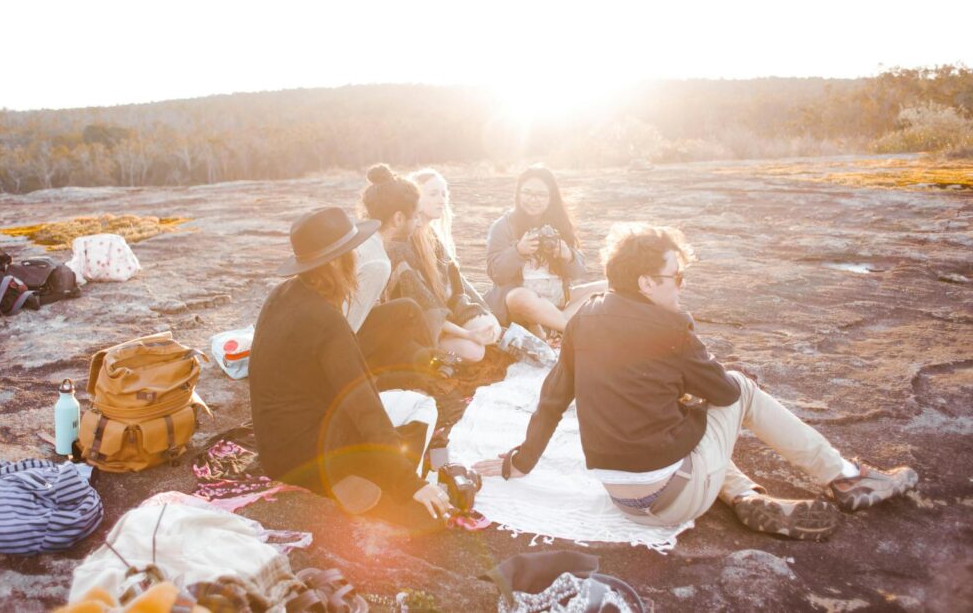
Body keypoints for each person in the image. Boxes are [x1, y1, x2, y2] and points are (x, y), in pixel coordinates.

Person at [475, 223, 918, 540]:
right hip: (671, 498)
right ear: (646, 282)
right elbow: (723, 394)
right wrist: (692, 373)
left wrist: (522, 461)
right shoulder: (669, 328)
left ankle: (742, 494)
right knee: (740, 389)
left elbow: (552, 399)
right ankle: (844, 476)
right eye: (676, 278)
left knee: (685, 410)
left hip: (623, 498)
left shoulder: (585, 317)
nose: (681, 288)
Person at [249, 206, 452, 528]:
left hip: (275, 454)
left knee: (385, 398)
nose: (357, 258)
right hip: (314, 456)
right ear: (336, 262)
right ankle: (385, 481)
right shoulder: (326, 320)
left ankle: (366, 476)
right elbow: (365, 408)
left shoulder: (281, 296)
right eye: (352, 251)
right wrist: (410, 483)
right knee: (421, 404)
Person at [384, 168, 501, 362]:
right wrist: (468, 335)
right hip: (420, 323)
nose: (442, 199)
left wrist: (484, 310)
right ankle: (437, 350)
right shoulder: (402, 243)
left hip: (446, 313)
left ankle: (457, 339)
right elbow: (424, 304)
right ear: (415, 198)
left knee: (492, 327)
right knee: (475, 351)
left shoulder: (433, 237)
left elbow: (458, 282)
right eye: (433, 194)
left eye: (444, 194)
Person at [484, 165, 606, 335]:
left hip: (558, 300)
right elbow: (496, 273)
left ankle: (555, 325)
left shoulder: (561, 224)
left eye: (541, 194)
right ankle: (568, 328)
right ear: (518, 194)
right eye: (527, 193)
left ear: (551, 198)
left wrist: (568, 256)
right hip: (524, 304)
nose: (533, 199)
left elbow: (578, 273)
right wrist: (518, 251)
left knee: (609, 286)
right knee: (517, 297)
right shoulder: (503, 226)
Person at [349, 164, 436, 377]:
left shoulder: (360, 237)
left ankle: (432, 360)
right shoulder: (378, 263)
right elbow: (348, 328)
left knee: (408, 310)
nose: (417, 223)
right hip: (338, 341)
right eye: (415, 216)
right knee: (410, 350)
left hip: (339, 328)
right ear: (398, 219)